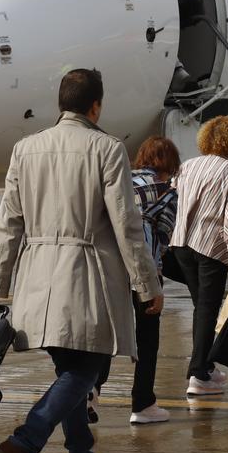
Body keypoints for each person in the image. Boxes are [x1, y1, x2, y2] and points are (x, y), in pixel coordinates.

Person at [0, 69, 163, 453]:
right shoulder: (107, 148)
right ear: (95, 106)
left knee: (72, 375)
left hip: (37, 282)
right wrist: (147, 284)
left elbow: (8, 223)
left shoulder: (25, 149)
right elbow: (126, 224)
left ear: (61, 104)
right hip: (88, 280)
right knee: (86, 372)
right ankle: (23, 443)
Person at [90, 136, 182, 425]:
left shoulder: (122, 182)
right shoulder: (167, 191)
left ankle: (90, 391)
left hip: (111, 267)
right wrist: (155, 282)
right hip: (143, 272)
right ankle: (142, 403)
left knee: (107, 334)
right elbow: (162, 238)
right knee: (147, 338)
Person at [169, 115, 228, 396]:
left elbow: (173, 199)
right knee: (206, 309)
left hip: (181, 243)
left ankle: (205, 365)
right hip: (210, 247)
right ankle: (198, 373)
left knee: (202, 308)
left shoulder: (187, 166)